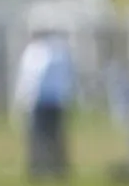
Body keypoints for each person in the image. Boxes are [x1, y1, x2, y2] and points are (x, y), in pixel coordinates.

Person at [13, 28, 76, 182]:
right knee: (55, 136)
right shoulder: (60, 52)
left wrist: (22, 98)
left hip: (40, 100)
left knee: (39, 136)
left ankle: (40, 167)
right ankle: (57, 167)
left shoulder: (35, 52)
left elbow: (31, 77)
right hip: (57, 99)